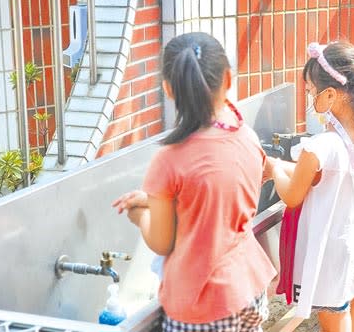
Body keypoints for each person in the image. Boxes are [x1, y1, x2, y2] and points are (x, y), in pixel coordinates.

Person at [112, 32, 276, 332]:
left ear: (168, 89)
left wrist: (140, 215)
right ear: (228, 79)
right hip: (248, 289)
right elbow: (218, 197)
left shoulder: (169, 158)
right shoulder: (247, 137)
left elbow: (162, 242)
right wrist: (154, 199)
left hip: (200, 303)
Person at [263, 41, 354, 332]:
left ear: (330, 94)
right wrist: (281, 169)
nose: (309, 97)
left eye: (310, 91)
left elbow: (293, 195)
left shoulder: (321, 145)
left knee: (334, 317)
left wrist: (273, 168)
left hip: (331, 247)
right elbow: (324, 178)